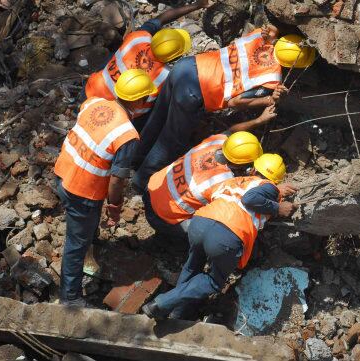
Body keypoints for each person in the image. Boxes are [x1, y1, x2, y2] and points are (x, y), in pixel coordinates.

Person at [132, 27, 316, 190]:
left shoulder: (259, 36)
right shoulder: (271, 80)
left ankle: (135, 158)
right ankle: (140, 182)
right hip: (194, 93)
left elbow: (272, 29)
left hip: (187, 67)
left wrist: (274, 32)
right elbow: (235, 102)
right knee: (171, 140)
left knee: (157, 117)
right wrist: (269, 99)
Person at [141, 153, 298, 320]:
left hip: (201, 223)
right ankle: (161, 303)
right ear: (276, 180)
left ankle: (177, 313)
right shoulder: (268, 186)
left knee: (192, 266)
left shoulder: (230, 181)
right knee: (214, 282)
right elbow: (250, 198)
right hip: (227, 233)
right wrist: (277, 207)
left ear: (252, 169)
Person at [54, 69, 153, 306]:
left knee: (83, 230)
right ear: (139, 101)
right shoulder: (127, 135)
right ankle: (70, 298)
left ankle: (90, 235)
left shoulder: (94, 103)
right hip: (83, 192)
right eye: (146, 98)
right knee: (76, 247)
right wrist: (115, 205)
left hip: (62, 173)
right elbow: (117, 180)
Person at [85, 0, 211, 129]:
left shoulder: (138, 38)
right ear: (176, 57)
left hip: (92, 89)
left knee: (115, 55)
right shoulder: (166, 77)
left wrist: (196, 5)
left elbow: (160, 19)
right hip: (114, 117)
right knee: (156, 109)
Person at [144, 123, 274, 239]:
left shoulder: (216, 141)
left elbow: (232, 130)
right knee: (217, 228)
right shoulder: (225, 182)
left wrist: (259, 120)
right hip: (163, 218)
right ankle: (177, 245)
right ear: (242, 165)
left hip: (150, 189)